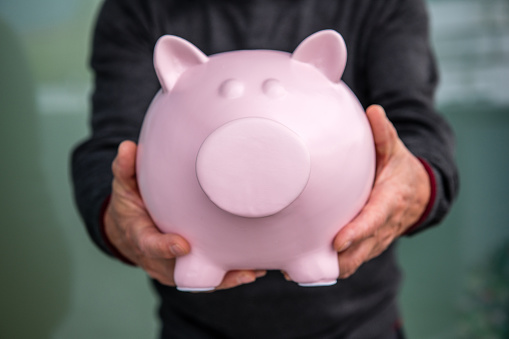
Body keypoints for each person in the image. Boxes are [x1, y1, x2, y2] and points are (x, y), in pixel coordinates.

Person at [71, 0, 459, 338]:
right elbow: (112, 147)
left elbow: (417, 130)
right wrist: (120, 222)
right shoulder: (138, 7)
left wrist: (413, 185)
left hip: (357, 325)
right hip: (196, 325)